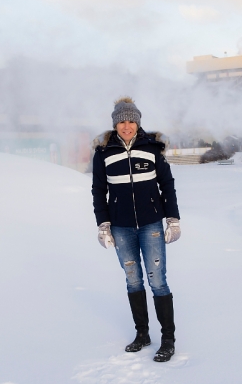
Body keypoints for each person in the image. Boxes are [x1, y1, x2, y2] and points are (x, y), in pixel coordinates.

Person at [91, 97, 181, 362]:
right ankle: (142, 334)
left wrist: (172, 219)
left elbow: (167, 184)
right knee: (133, 280)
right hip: (121, 228)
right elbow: (99, 191)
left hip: (151, 224)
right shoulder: (104, 152)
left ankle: (168, 339)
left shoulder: (152, 148)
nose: (126, 126)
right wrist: (103, 225)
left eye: (131, 120)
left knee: (157, 280)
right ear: (115, 124)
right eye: (121, 121)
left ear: (138, 122)